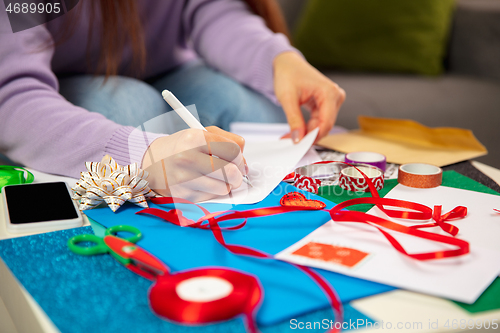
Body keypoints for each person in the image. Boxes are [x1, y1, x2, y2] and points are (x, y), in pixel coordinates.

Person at [0, 0, 345, 202]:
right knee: (131, 107)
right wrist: (143, 156)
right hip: (57, 91)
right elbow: (11, 97)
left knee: (239, 103)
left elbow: (209, 9)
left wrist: (278, 59)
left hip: (172, 70)